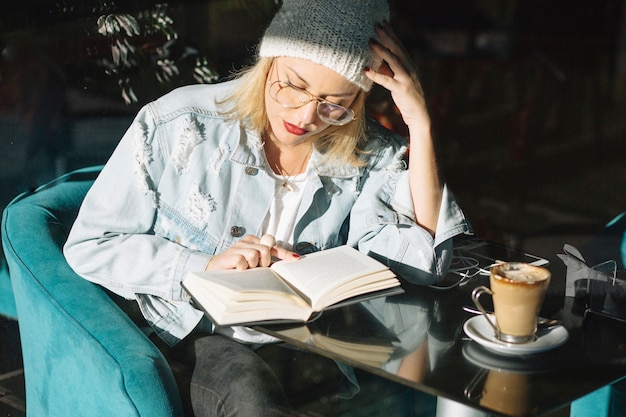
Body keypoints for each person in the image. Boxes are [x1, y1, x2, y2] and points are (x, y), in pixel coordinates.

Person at [64, 0, 471, 415]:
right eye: (293, 85)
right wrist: (202, 267)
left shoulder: (367, 152)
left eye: (335, 102)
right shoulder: (178, 123)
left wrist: (419, 121)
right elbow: (91, 244)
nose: (307, 115)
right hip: (195, 331)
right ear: (268, 60)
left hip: (304, 340)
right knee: (251, 396)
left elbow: (425, 264)